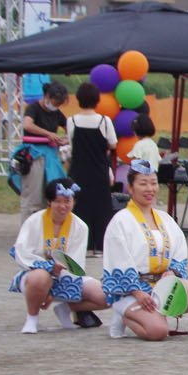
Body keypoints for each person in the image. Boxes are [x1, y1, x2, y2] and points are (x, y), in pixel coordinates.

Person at [101, 159, 188, 340]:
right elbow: (119, 259)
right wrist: (137, 292)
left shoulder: (165, 218)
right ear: (130, 188)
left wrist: (172, 271)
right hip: (132, 290)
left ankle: (154, 313)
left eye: (153, 183)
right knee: (157, 332)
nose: (150, 189)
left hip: (160, 285)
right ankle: (123, 311)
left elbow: (179, 248)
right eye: (143, 184)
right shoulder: (121, 220)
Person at [9, 176, 110, 334]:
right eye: (57, 201)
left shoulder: (80, 227)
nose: (62, 206)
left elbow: (74, 263)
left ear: (74, 202)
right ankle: (32, 318)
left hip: (65, 276)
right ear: (49, 201)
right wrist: (48, 269)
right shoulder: (34, 221)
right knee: (41, 277)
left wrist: (56, 278)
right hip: (34, 275)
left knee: (107, 294)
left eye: (67, 201)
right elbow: (22, 253)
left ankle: (66, 308)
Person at [66, 81, 116, 254]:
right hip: (99, 170)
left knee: (80, 207)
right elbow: (113, 143)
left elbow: (71, 142)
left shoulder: (71, 121)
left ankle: (82, 245)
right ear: (97, 100)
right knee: (101, 208)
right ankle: (101, 245)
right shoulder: (104, 121)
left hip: (79, 171)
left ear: (78, 99)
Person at [17, 81, 71, 220]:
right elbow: (28, 125)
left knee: (51, 192)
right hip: (34, 155)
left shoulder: (56, 113)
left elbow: (69, 128)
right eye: (55, 102)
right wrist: (47, 134)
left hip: (51, 157)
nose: (56, 106)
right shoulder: (33, 108)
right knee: (32, 195)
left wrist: (66, 139)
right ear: (47, 96)